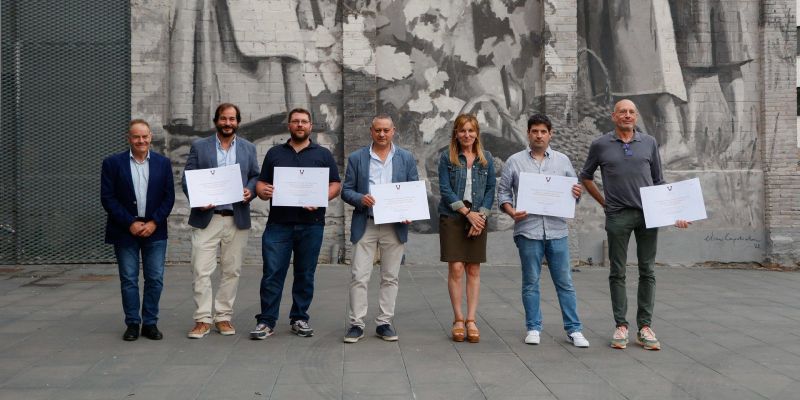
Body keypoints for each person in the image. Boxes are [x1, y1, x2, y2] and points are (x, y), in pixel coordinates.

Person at [580, 99, 689, 351]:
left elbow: (659, 181)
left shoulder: (649, 143)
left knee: (647, 270)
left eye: (631, 112)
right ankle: (621, 325)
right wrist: (603, 202)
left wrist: (676, 213)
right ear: (613, 116)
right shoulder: (600, 144)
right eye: (622, 112)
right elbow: (585, 176)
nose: (627, 115)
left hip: (649, 216)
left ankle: (645, 327)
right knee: (617, 271)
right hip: (617, 215)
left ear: (636, 117)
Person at [497, 114, 590, 348]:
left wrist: (576, 194)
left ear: (550, 134)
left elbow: (573, 191)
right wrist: (511, 211)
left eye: (543, 131)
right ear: (528, 133)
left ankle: (574, 329)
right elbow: (504, 193)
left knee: (565, 282)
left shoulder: (562, 161)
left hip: (557, 230)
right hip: (528, 230)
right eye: (535, 131)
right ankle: (533, 327)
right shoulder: (515, 161)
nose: (539, 135)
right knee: (530, 281)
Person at [250, 108, 342, 339]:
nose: (300, 125)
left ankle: (299, 318)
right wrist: (263, 191)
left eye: (304, 122)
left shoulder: (323, 154)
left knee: (305, 273)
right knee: (272, 273)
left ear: (311, 126)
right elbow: (261, 185)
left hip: (311, 224)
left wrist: (321, 196)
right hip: (278, 224)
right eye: (295, 122)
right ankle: (266, 321)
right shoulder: (274, 153)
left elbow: (335, 185)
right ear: (289, 126)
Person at [182, 103, 260, 339]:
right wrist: (198, 198)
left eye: (232, 119)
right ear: (216, 120)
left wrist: (249, 190)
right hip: (208, 217)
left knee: (231, 270)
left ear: (238, 121)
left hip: (236, 218)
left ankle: (223, 317)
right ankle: (202, 319)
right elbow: (187, 178)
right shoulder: (200, 146)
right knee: (200, 270)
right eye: (224, 119)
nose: (228, 123)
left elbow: (256, 176)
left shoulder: (248, 148)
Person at [340, 115, 419, 343]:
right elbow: (346, 190)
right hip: (366, 222)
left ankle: (384, 322)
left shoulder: (405, 158)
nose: (382, 134)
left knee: (390, 276)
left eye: (386, 130)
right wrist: (360, 198)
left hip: (394, 225)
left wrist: (408, 213)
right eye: (378, 130)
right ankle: (356, 323)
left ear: (393, 131)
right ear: (371, 131)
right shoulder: (357, 158)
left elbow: (412, 188)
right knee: (359, 275)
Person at [101, 119, 175, 341]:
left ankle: (150, 323)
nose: (141, 140)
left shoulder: (163, 163)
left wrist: (153, 222)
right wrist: (130, 223)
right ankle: (132, 323)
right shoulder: (113, 163)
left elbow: (168, 197)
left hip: (155, 230)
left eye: (144, 136)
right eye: (136, 137)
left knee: (155, 278)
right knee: (129, 279)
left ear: (150, 137)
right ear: (129, 138)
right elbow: (108, 198)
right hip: (125, 230)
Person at [438, 114, 496, 343]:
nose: (467, 135)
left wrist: (480, 216)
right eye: (462, 130)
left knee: (473, 268)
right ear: (456, 133)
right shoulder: (447, 157)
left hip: (478, 216)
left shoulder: (486, 158)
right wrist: (466, 213)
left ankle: (471, 319)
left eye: (471, 131)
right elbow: (444, 188)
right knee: (456, 267)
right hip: (453, 216)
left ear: (477, 133)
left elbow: (491, 188)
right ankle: (458, 319)